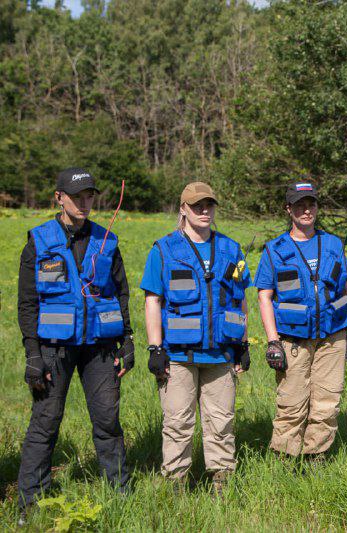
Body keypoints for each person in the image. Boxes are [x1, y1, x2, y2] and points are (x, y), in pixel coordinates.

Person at [16, 168, 134, 524]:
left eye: (90, 196)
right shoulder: (39, 242)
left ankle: (120, 495)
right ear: (59, 197)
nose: (85, 203)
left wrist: (127, 340)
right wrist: (33, 354)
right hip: (55, 349)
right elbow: (27, 303)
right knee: (45, 422)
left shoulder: (106, 241)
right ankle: (29, 504)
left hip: (99, 347)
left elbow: (121, 293)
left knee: (108, 420)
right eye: (77, 196)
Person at [140, 182, 251, 494]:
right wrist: (155, 347)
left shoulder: (233, 249)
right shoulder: (163, 250)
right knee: (178, 424)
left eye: (209, 205)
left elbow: (240, 298)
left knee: (222, 423)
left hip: (220, 356)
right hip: (177, 357)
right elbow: (153, 301)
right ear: (183, 209)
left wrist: (243, 342)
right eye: (196, 205)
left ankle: (222, 484)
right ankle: (175, 485)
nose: (204, 211)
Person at [255, 182, 347, 459]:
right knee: (291, 403)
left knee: (327, 401)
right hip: (293, 339)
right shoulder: (274, 249)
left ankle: (317, 456)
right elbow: (264, 296)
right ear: (289, 209)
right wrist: (272, 341)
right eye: (299, 205)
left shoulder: (333, 243)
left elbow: (346, 287)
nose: (306, 210)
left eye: (311, 204)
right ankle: (285, 458)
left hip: (332, 336)